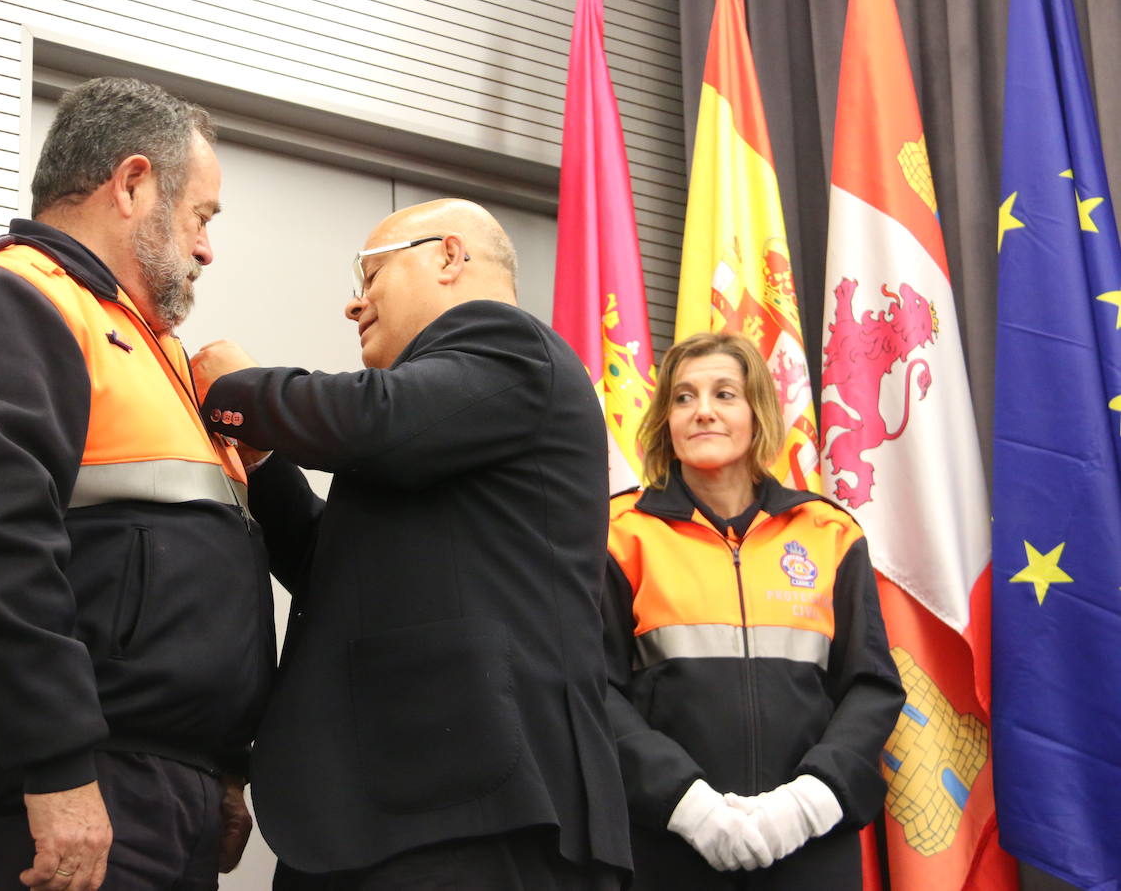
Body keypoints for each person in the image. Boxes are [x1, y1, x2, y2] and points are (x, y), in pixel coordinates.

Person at [0, 77, 273, 891]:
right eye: (202, 216)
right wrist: (56, 769)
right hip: (52, 781)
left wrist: (222, 769)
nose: (208, 248)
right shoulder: (6, 300)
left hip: (159, 788)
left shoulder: (157, 353)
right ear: (133, 183)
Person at [191, 198, 632, 889]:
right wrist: (265, 467)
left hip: (473, 814)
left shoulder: (513, 346)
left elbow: (377, 419)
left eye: (370, 275)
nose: (354, 303)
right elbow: (332, 569)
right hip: (384, 813)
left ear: (450, 256)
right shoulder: (438, 422)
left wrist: (237, 389)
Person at [602, 331, 905, 889]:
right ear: (665, 420)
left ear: (757, 411)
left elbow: (872, 687)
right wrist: (690, 808)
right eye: (684, 397)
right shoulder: (622, 537)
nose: (703, 412)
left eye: (724, 394)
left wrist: (808, 803)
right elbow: (595, 689)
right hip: (665, 849)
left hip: (811, 847)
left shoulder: (829, 534)